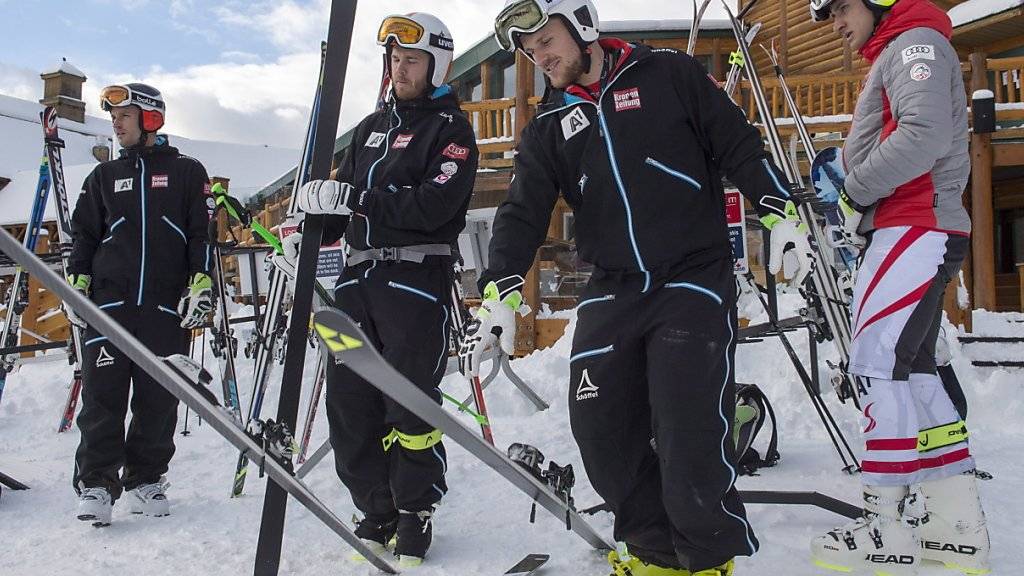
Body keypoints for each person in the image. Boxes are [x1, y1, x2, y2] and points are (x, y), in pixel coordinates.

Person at [461, 1, 816, 574]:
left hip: (691, 276)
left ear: (582, 26)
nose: (540, 56)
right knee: (600, 428)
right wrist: (500, 291)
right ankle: (655, 555)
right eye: (528, 51)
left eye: (546, 40)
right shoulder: (550, 125)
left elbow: (737, 143)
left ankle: (705, 558)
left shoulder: (668, 74)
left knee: (686, 429)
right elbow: (521, 213)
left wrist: (779, 213)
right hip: (614, 287)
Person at [276, 13, 477, 566]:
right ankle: (376, 508)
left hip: (415, 284)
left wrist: (356, 201)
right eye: (394, 59)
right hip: (357, 288)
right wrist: (308, 227)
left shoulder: (451, 130)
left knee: (407, 402)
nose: (400, 69)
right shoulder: (368, 129)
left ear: (438, 64)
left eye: (412, 60)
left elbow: (435, 206)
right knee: (349, 406)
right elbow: (337, 204)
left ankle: (414, 513)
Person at [808, 0, 990, 573]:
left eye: (838, 8)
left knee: (874, 365)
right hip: (914, 225)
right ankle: (953, 525)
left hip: (913, 225)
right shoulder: (902, 49)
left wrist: (855, 189)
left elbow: (923, 134)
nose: (834, 23)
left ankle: (885, 528)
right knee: (911, 371)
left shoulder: (915, 45)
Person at [66, 83, 214, 527]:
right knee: (102, 398)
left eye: (124, 114)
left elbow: (201, 232)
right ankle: (96, 484)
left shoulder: (187, 172)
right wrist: (79, 279)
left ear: (151, 118)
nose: (116, 122)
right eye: (113, 116)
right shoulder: (104, 177)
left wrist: (201, 279)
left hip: (165, 307)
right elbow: (85, 235)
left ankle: (145, 480)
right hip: (109, 306)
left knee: (158, 398)